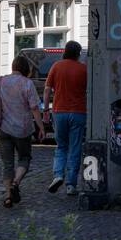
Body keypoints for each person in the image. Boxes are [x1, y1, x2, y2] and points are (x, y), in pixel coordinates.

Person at [0, 55, 44, 208]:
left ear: (13, 67)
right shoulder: (27, 83)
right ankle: (16, 182)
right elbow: (34, 107)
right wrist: (40, 127)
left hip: (2, 128)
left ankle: (8, 196)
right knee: (24, 158)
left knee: (7, 164)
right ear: (26, 69)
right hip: (22, 129)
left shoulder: (0, 81)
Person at [43, 40, 87, 195]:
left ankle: (58, 175)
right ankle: (71, 185)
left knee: (61, 146)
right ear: (78, 54)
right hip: (78, 112)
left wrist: (46, 109)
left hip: (59, 111)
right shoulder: (83, 69)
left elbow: (47, 90)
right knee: (75, 148)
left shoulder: (56, 66)